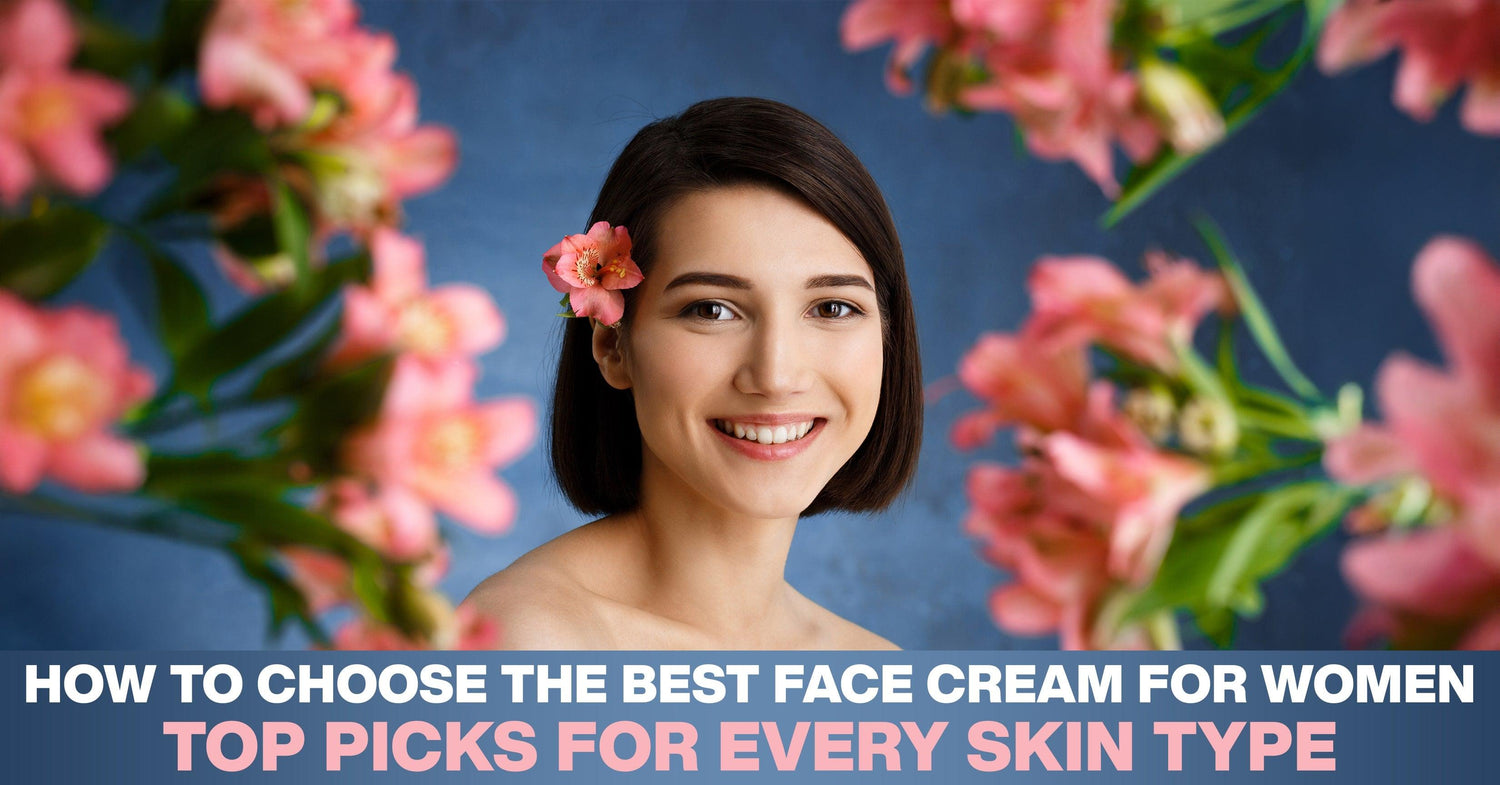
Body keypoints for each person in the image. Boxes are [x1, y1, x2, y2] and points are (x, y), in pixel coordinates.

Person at [467, 97, 922, 649]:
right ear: (612, 345)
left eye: (832, 308)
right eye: (712, 310)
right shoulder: (524, 646)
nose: (776, 376)